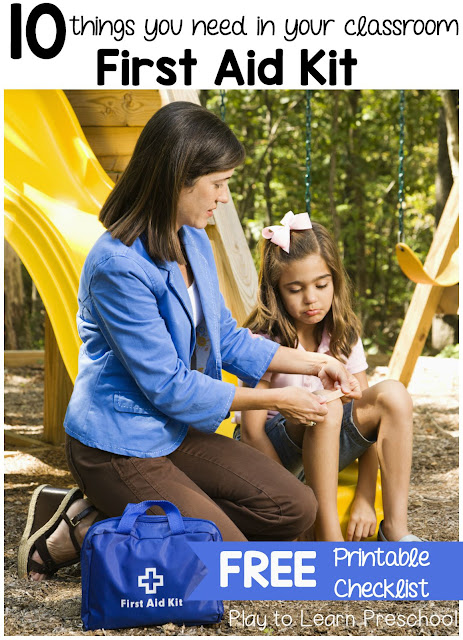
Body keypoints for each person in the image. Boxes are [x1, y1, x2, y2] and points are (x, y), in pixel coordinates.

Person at [19, 102, 362, 581]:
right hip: (119, 444)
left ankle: (111, 514)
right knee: (231, 570)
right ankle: (83, 529)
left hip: (173, 432)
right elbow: (170, 387)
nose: (223, 197)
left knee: (295, 508)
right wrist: (277, 398)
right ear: (179, 177)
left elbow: (224, 336)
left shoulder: (193, 239)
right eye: (218, 184)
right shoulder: (117, 266)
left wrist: (312, 366)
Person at [236, 212, 423, 542]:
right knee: (326, 404)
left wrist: (366, 497)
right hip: (269, 454)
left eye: (322, 285)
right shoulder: (264, 339)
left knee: (392, 394)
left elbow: (365, 414)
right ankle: (329, 542)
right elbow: (251, 433)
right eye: (295, 289)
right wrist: (291, 498)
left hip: (325, 444)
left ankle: (394, 528)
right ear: (276, 291)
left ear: (335, 281)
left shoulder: (343, 333)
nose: (311, 298)